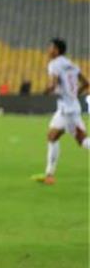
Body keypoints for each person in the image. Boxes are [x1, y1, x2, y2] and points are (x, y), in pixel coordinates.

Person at [32, 38, 90, 185]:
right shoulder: (71, 64)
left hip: (68, 110)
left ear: (56, 50)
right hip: (68, 107)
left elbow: (53, 83)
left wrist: (46, 91)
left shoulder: (54, 64)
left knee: (79, 140)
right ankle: (49, 175)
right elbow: (87, 83)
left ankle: (49, 175)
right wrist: (74, 94)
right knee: (55, 136)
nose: (48, 50)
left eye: (50, 47)